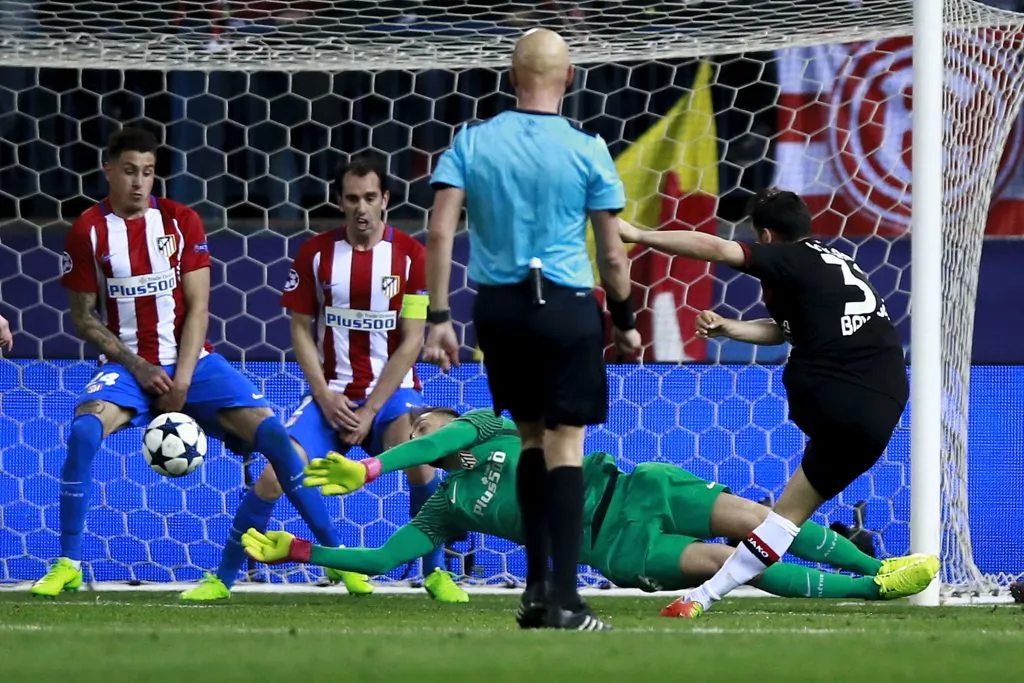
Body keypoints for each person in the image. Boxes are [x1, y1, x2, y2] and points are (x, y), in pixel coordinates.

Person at [31, 127, 339, 598]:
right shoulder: (88, 231)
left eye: (149, 173)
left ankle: (340, 559)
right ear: (108, 170)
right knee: (83, 430)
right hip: (128, 368)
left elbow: (198, 308)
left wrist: (182, 378)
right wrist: (138, 367)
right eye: (130, 171)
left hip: (193, 363)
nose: (139, 182)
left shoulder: (181, 222)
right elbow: (83, 318)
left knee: (275, 435)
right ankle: (69, 563)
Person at [241, 408, 938, 607]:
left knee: (763, 521)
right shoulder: (446, 510)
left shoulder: (490, 428)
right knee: (731, 563)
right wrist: (301, 552)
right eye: (411, 435)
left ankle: (880, 568)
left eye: (423, 427)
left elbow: (452, 434)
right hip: (612, 548)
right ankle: (870, 591)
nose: (420, 437)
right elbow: (383, 557)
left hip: (636, 487)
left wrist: (368, 463)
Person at [420, 27, 640, 631]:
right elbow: (613, 252)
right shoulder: (588, 147)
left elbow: (440, 231)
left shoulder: (472, 140)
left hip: (500, 310)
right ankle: (566, 599)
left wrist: (439, 318)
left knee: (532, 441)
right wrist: (624, 323)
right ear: (568, 78)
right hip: (565, 306)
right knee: (567, 444)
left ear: (513, 77)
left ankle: (536, 588)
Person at [616, 189, 922, 618]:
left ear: (764, 234)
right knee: (783, 519)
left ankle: (706, 593)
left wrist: (637, 234)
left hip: (837, 396)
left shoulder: (788, 257)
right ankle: (699, 598)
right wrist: (730, 328)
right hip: (882, 405)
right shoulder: (832, 261)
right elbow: (786, 330)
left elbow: (715, 247)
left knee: (798, 393)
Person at [180, 154, 466, 603]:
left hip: (390, 399)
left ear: (385, 200)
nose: (361, 208)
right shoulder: (316, 254)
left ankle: (435, 572)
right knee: (274, 474)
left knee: (420, 460)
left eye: (370, 198)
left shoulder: (411, 256)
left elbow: (412, 341)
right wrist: (325, 395)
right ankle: (224, 577)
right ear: (339, 202)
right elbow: (300, 327)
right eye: (352, 199)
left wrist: (371, 408)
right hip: (330, 398)